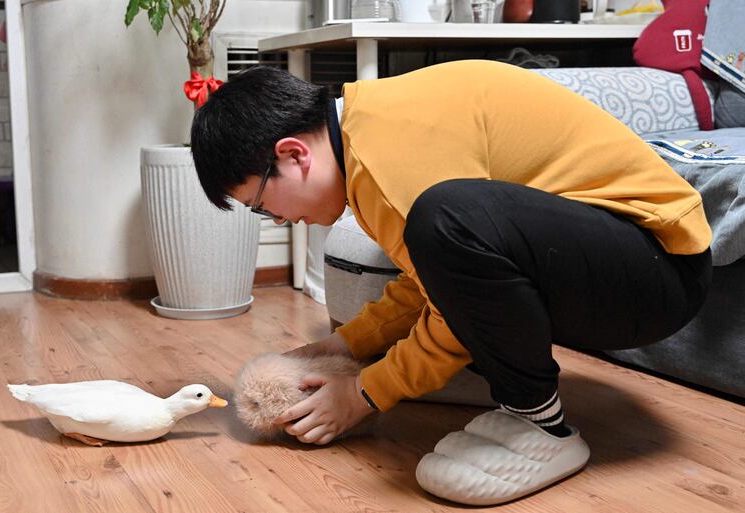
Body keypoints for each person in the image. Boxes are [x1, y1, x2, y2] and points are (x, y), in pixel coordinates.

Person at [190, 60, 712, 503]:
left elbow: (449, 259)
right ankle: (503, 390)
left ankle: (543, 426)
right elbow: (432, 280)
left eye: (262, 205)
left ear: (293, 154)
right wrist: (341, 344)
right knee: (445, 229)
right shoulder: (367, 139)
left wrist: (364, 394)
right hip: (618, 265)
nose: (281, 219)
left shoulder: (386, 154)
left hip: (657, 273)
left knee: (445, 218)